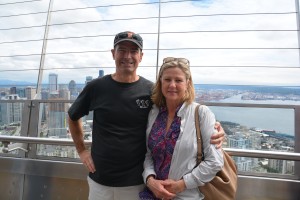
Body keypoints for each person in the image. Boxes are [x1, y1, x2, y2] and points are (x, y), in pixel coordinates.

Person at [67, 31, 225, 200]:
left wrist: (217, 130)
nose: (127, 56)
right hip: (100, 180)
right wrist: (82, 151)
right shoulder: (96, 87)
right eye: (122, 50)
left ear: (141, 56)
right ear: (113, 53)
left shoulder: (151, 92)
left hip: (136, 183)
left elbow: (185, 111)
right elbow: (73, 115)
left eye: (134, 51)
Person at [140, 57, 224, 200]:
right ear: (160, 82)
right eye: (167, 79)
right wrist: (150, 179)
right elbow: (148, 154)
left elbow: (215, 161)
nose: (172, 85)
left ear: (187, 83)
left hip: (185, 196)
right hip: (151, 195)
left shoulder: (201, 113)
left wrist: (182, 184)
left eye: (178, 80)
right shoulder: (154, 113)